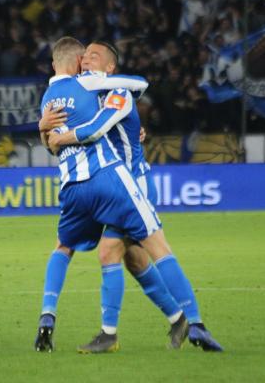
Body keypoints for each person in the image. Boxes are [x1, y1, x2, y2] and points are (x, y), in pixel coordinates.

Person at [46, 41, 223, 353]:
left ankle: (126, 332)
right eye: (85, 55)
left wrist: (64, 137)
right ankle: (181, 319)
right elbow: (56, 137)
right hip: (113, 185)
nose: (87, 58)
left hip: (133, 183)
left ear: (110, 67)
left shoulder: (118, 93)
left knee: (120, 251)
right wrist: (43, 128)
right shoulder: (85, 94)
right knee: (135, 260)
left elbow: (98, 128)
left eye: (95, 55)